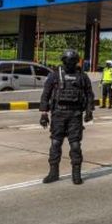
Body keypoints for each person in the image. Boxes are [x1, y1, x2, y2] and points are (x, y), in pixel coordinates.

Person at [39, 49, 95, 185]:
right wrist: (44, 113)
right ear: (63, 61)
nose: (70, 64)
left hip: (75, 115)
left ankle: (76, 174)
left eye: (73, 61)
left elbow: (89, 95)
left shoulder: (82, 76)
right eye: (68, 61)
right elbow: (46, 94)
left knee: (75, 145)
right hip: (58, 114)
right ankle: (53, 173)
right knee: (55, 143)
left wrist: (89, 111)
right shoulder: (54, 76)